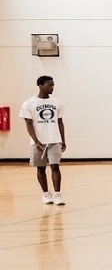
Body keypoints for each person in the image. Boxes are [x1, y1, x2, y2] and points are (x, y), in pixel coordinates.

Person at [20, 75, 66, 205]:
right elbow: (28, 123)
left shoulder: (57, 103)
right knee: (40, 168)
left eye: (53, 85)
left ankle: (57, 195)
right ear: (40, 85)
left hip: (54, 140)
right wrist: (36, 140)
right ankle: (46, 194)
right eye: (49, 85)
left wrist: (63, 139)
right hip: (38, 142)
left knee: (55, 166)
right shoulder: (29, 103)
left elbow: (60, 122)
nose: (52, 88)